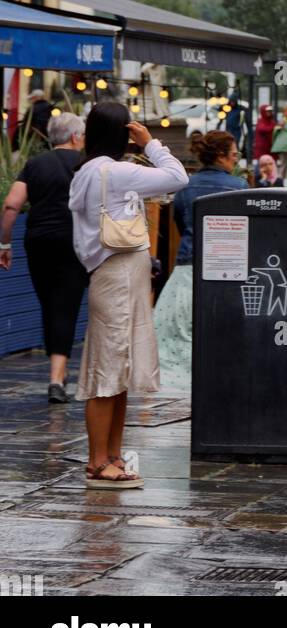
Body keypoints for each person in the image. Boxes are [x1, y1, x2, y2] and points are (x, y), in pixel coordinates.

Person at [68, 102, 188, 488]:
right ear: (123, 133)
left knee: (117, 371)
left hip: (115, 277)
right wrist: (151, 143)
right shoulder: (115, 172)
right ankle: (98, 461)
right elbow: (177, 177)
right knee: (107, 371)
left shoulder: (87, 172)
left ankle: (112, 456)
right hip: (118, 277)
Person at [0, 113, 87, 402]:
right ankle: (56, 379)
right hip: (74, 241)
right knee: (65, 307)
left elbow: (11, 205)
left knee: (50, 305)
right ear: (75, 136)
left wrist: (5, 244)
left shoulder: (34, 164)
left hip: (38, 242)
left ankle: (58, 371)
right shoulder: (85, 164)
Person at [154, 130, 246, 393]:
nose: (236, 159)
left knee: (177, 331)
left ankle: (179, 382)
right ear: (221, 156)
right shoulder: (239, 188)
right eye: (234, 155)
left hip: (188, 267)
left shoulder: (185, 187)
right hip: (228, 269)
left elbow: (181, 224)